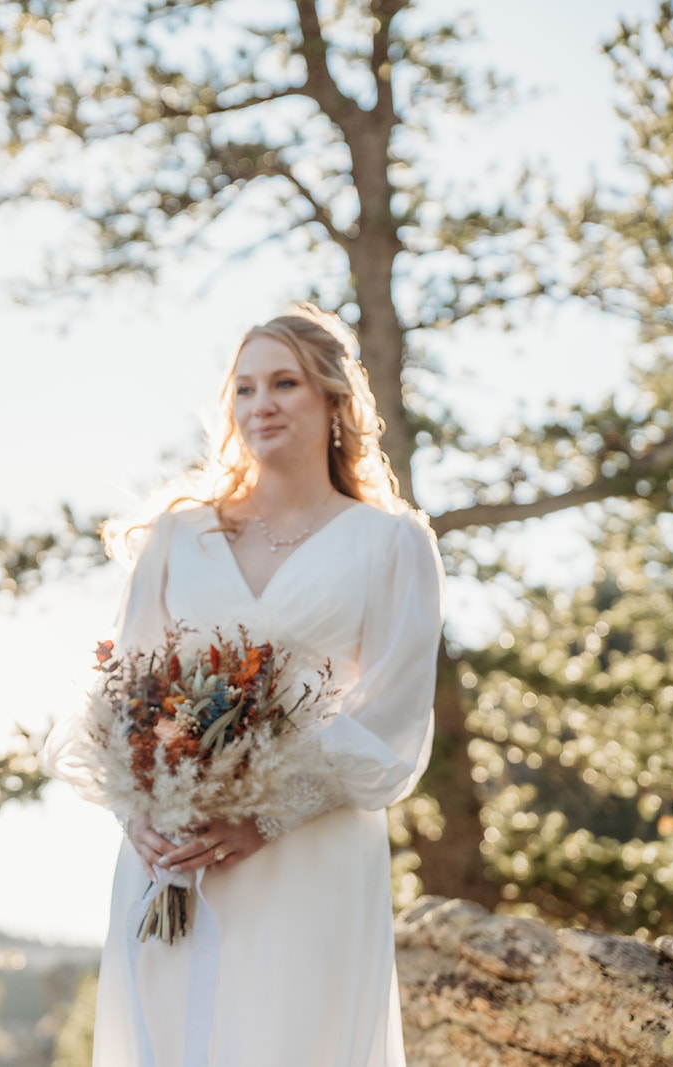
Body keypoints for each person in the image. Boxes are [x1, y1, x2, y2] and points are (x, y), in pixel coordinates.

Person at [87, 305, 444, 1066]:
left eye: (284, 383)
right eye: (245, 388)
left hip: (309, 850)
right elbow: (130, 694)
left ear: (334, 400)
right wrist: (138, 815)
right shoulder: (179, 535)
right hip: (176, 857)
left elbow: (394, 724)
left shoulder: (392, 544)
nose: (262, 404)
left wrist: (267, 816)